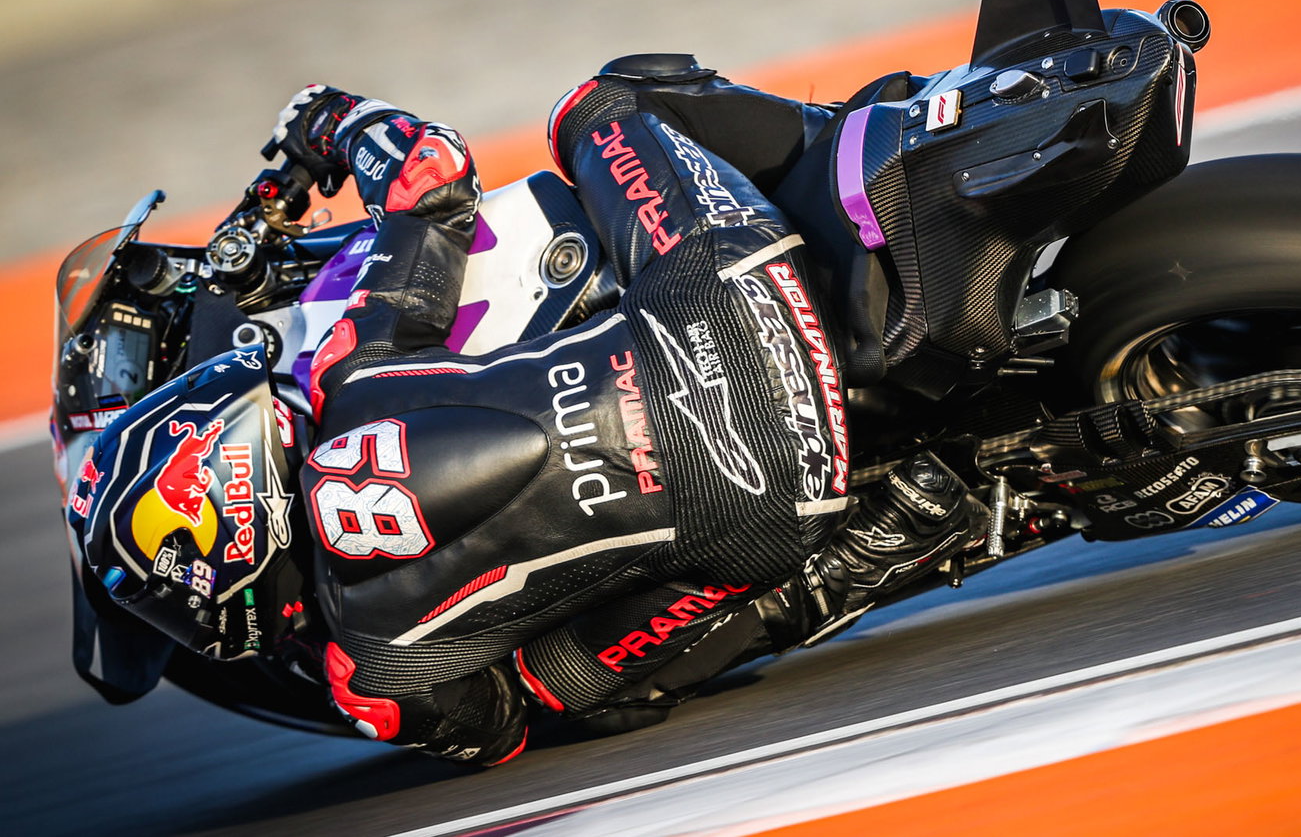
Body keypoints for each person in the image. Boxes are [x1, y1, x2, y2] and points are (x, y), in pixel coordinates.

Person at [68, 58, 986, 766]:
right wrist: (332, 121)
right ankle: (884, 145)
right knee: (604, 102)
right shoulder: (346, 374)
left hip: (777, 509)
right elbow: (432, 176)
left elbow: (500, 732)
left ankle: (871, 547)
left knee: (566, 686)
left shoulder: (371, 681)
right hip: (733, 303)